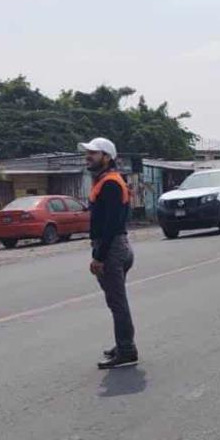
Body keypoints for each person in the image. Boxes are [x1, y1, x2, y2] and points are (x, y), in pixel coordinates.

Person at [79, 137, 138, 369]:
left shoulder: (111, 183)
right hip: (114, 245)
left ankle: (126, 349)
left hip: (112, 247)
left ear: (106, 157)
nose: (88, 156)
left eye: (93, 153)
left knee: (117, 302)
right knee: (116, 301)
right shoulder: (106, 180)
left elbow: (112, 225)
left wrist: (99, 257)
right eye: (88, 153)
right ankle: (123, 343)